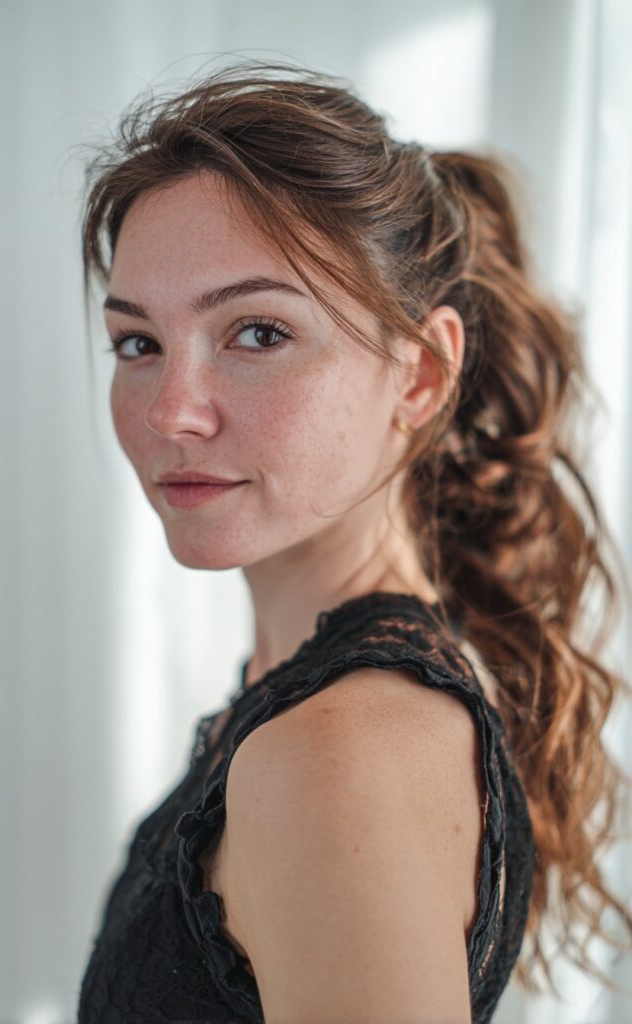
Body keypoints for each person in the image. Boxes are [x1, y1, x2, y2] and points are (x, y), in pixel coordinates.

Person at [76, 58, 632, 1024]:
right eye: (138, 342)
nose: (173, 411)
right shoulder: (314, 698)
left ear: (418, 376)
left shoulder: (336, 753)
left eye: (257, 333)